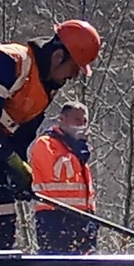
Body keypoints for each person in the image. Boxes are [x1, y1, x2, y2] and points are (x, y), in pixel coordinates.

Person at [0, 21, 101, 251]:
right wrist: (10, 160)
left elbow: (19, 137)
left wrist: (18, 173)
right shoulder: (5, 62)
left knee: (1, 222)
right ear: (58, 56)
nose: (73, 76)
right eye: (74, 68)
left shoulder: (44, 88)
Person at [29, 101, 98, 254]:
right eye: (77, 120)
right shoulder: (46, 143)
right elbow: (61, 173)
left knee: (88, 265)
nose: (82, 125)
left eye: (84, 121)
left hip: (84, 217)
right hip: (55, 216)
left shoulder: (74, 148)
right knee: (57, 264)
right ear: (62, 119)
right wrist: (79, 150)